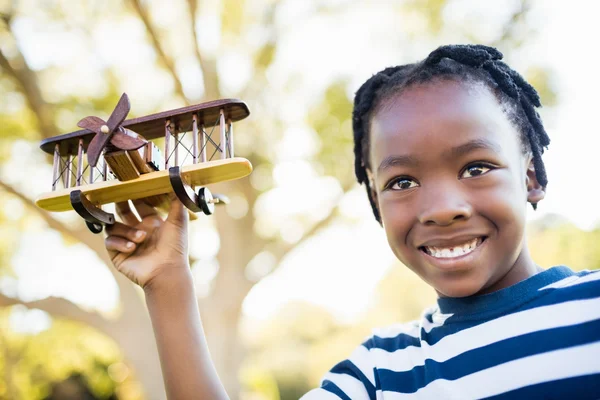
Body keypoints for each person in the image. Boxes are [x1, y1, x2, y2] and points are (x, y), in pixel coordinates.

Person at [104, 44, 600, 399]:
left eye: (476, 168)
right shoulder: (380, 372)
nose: (443, 207)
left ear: (531, 178)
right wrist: (169, 285)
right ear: (375, 203)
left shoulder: (589, 313)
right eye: (402, 182)